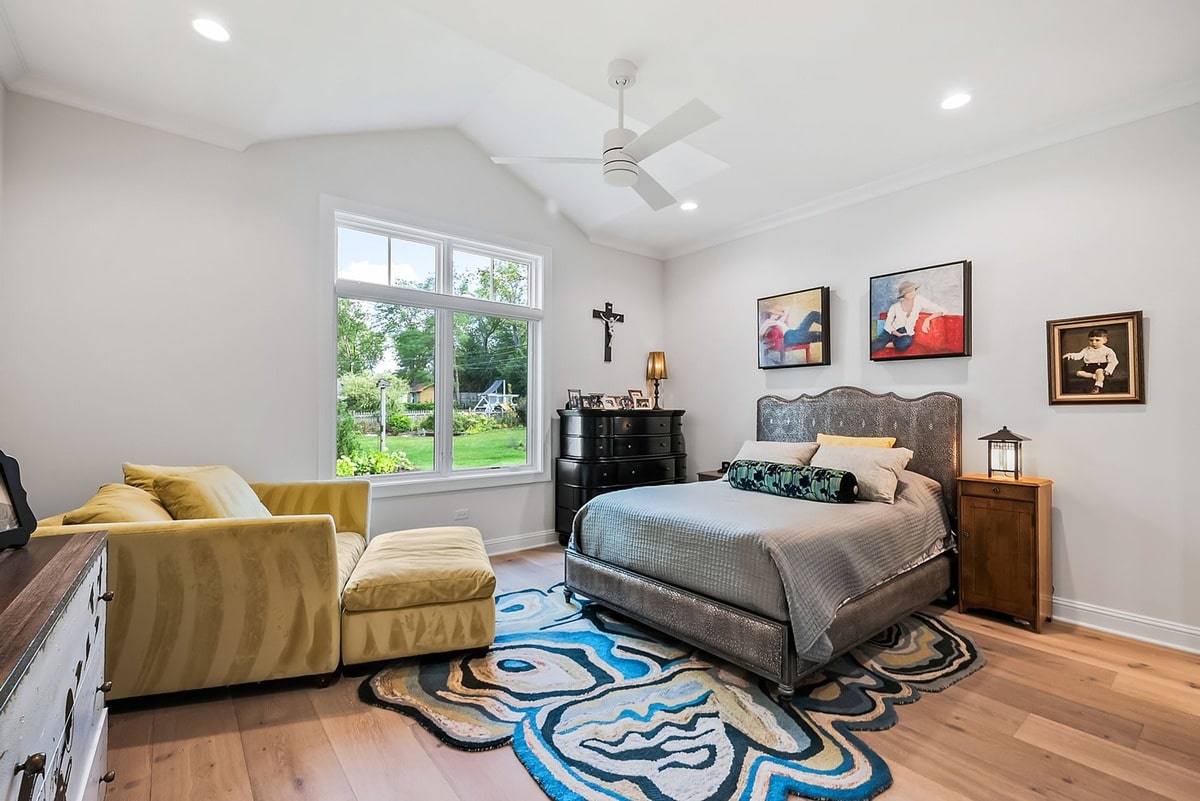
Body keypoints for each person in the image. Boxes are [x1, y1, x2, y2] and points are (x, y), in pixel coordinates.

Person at [872, 280, 946, 353]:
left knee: (906, 341)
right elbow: (887, 325)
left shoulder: (919, 300)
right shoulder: (894, 307)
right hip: (892, 332)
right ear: (903, 294)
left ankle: (886, 344)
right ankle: (886, 343)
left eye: (912, 290)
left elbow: (942, 310)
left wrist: (927, 319)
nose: (911, 293)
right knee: (874, 346)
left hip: (907, 334)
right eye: (907, 291)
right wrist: (898, 334)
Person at [1063, 328, 1118, 394]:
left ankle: (1097, 386)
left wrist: (1108, 371)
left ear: (1104, 340)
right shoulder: (1086, 349)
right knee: (1079, 373)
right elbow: (1079, 355)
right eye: (1091, 340)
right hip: (1089, 368)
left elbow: (1113, 361)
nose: (1094, 342)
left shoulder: (1108, 350)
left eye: (1097, 340)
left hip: (1101, 368)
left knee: (1099, 371)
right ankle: (1094, 376)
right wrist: (1070, 355)